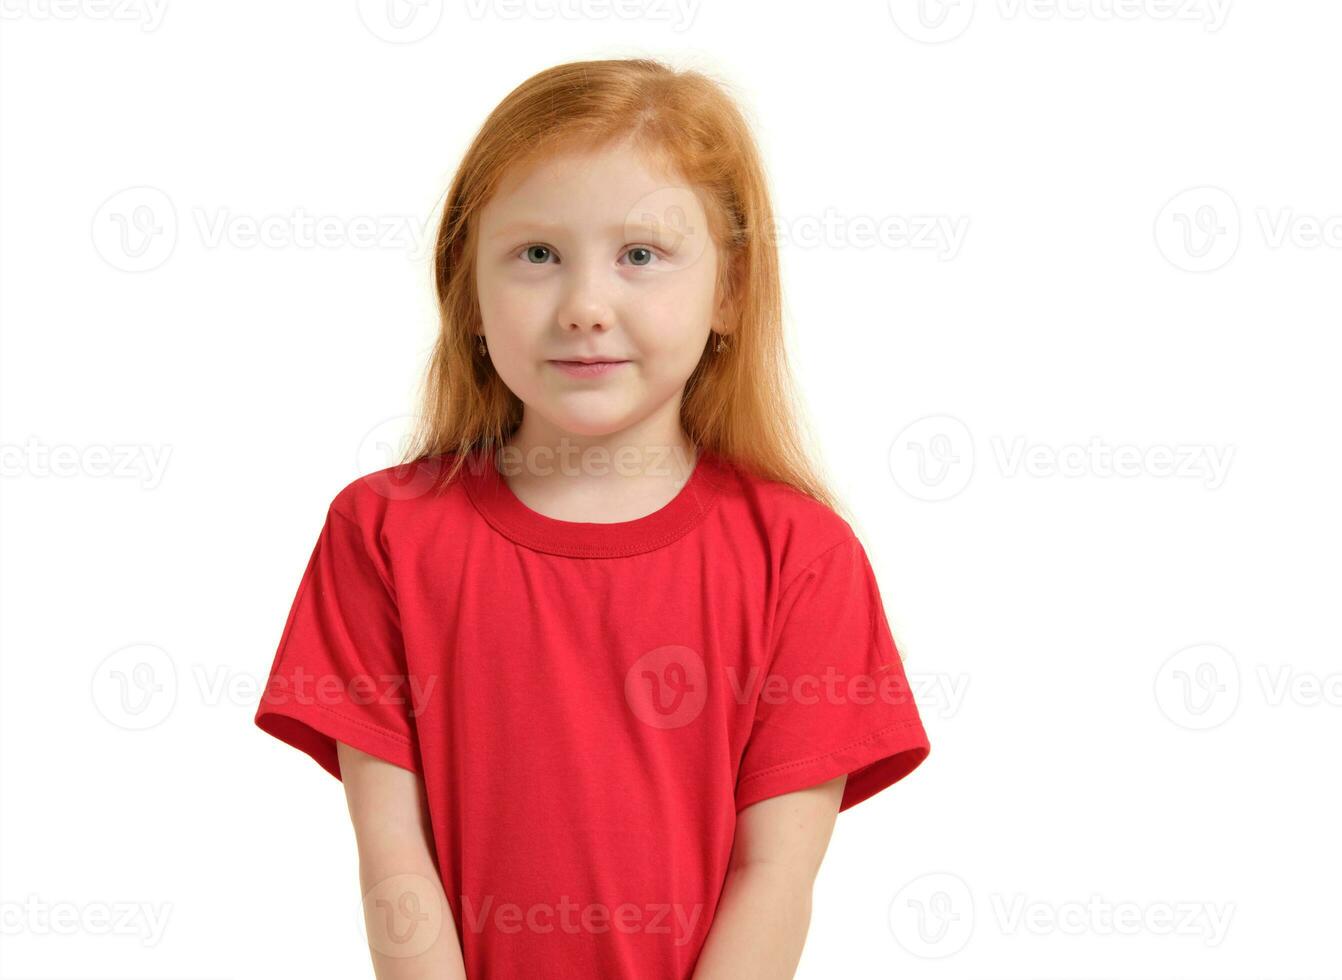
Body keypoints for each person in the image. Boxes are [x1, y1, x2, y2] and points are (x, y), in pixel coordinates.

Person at [254, 57, 931, 980]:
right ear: (470, 294)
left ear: (729, 290)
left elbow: (774, 874)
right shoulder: (381, 533)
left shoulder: (802, 558)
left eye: (640, 256)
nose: (584, 308)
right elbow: (392, 854)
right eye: (537, 255)